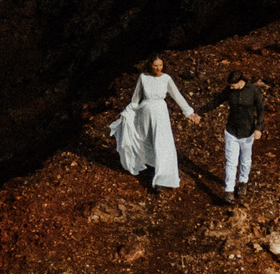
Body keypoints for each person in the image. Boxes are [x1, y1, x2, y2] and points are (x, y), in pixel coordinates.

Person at [110, 56, 195, 190]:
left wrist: (189, 112)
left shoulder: (166, 78)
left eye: (160, 65)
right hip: (144, 113)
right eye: (155, 65)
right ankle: (150, 166)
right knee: (146, 140)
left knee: (162, 142)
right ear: (150, 65)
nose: (158, 68)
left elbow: (177, 95)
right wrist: (127, 111)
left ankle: (161, 179)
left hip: (160, 114)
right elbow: (136, 98)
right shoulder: (143, 77)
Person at [202, 68, 267, 199]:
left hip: (248, 132)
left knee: (245, 160)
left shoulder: (254, 91)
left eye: (233, 85)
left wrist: (259, 128)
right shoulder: (229, 91)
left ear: (241, 81)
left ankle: (243, 182)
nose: (231, 87)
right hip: (231, 131)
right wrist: (199, 111)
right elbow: (216, 101)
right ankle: (229, 190)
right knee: (231, 161)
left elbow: (261, 111)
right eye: (230, 86)